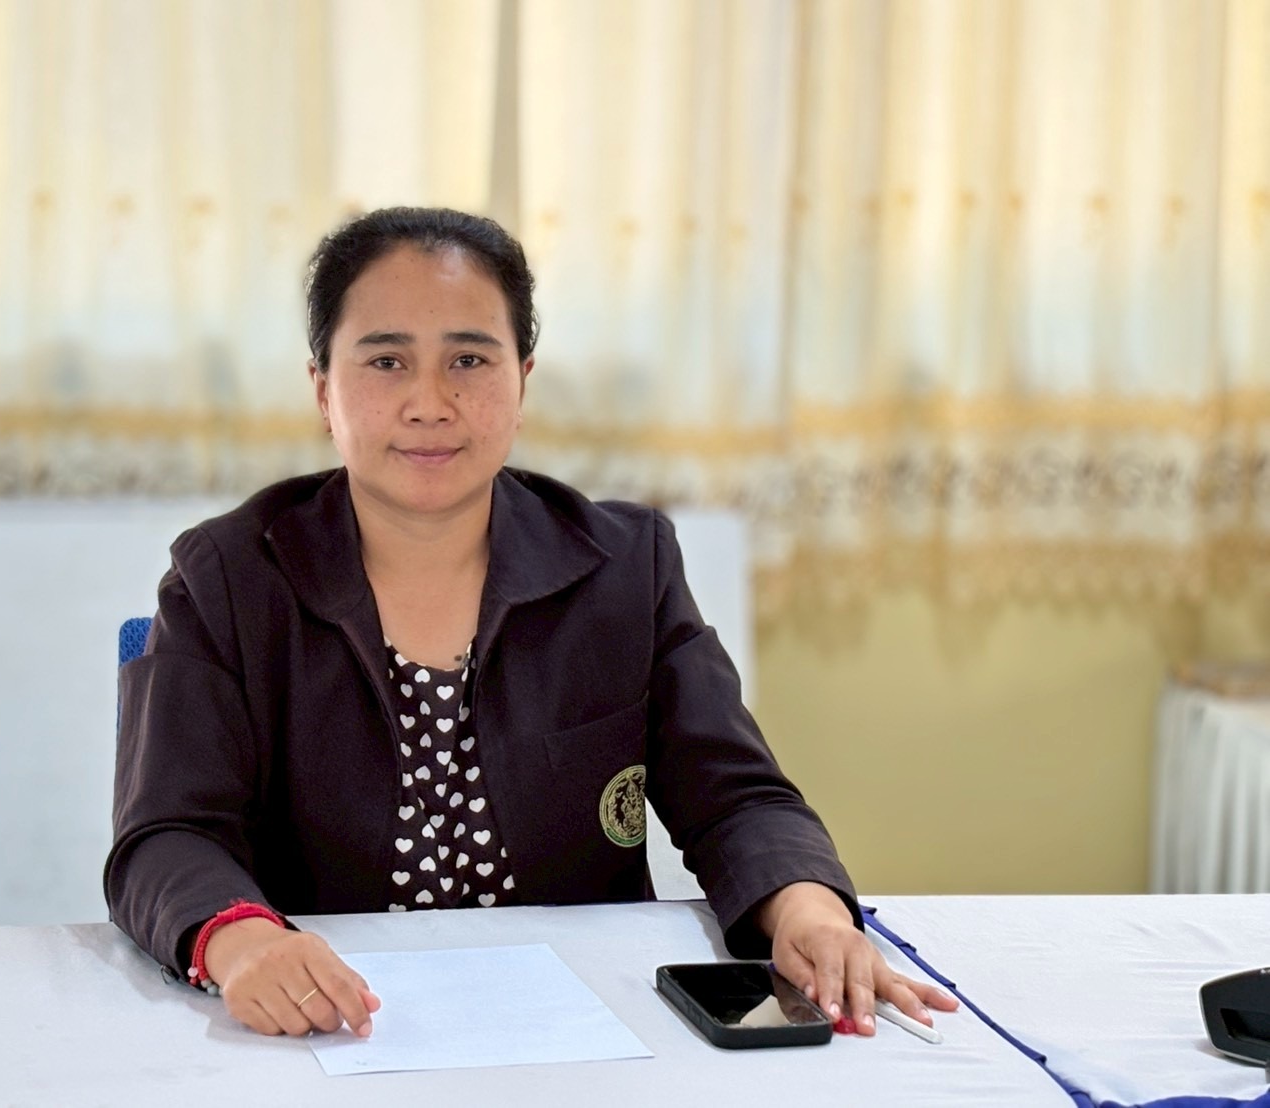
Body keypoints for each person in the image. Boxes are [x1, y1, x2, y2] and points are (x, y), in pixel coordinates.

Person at [105, 206, 956, 1041]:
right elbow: (166, 833)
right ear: (324, 390)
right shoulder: (227, 578)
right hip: (333, 1024)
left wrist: (807, 912)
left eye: (469, 360)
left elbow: (734, 798)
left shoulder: (624, 567)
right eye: (386, 361)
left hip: (585, 1026)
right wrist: (244, 943)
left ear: (522, 382)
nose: (430, 402)